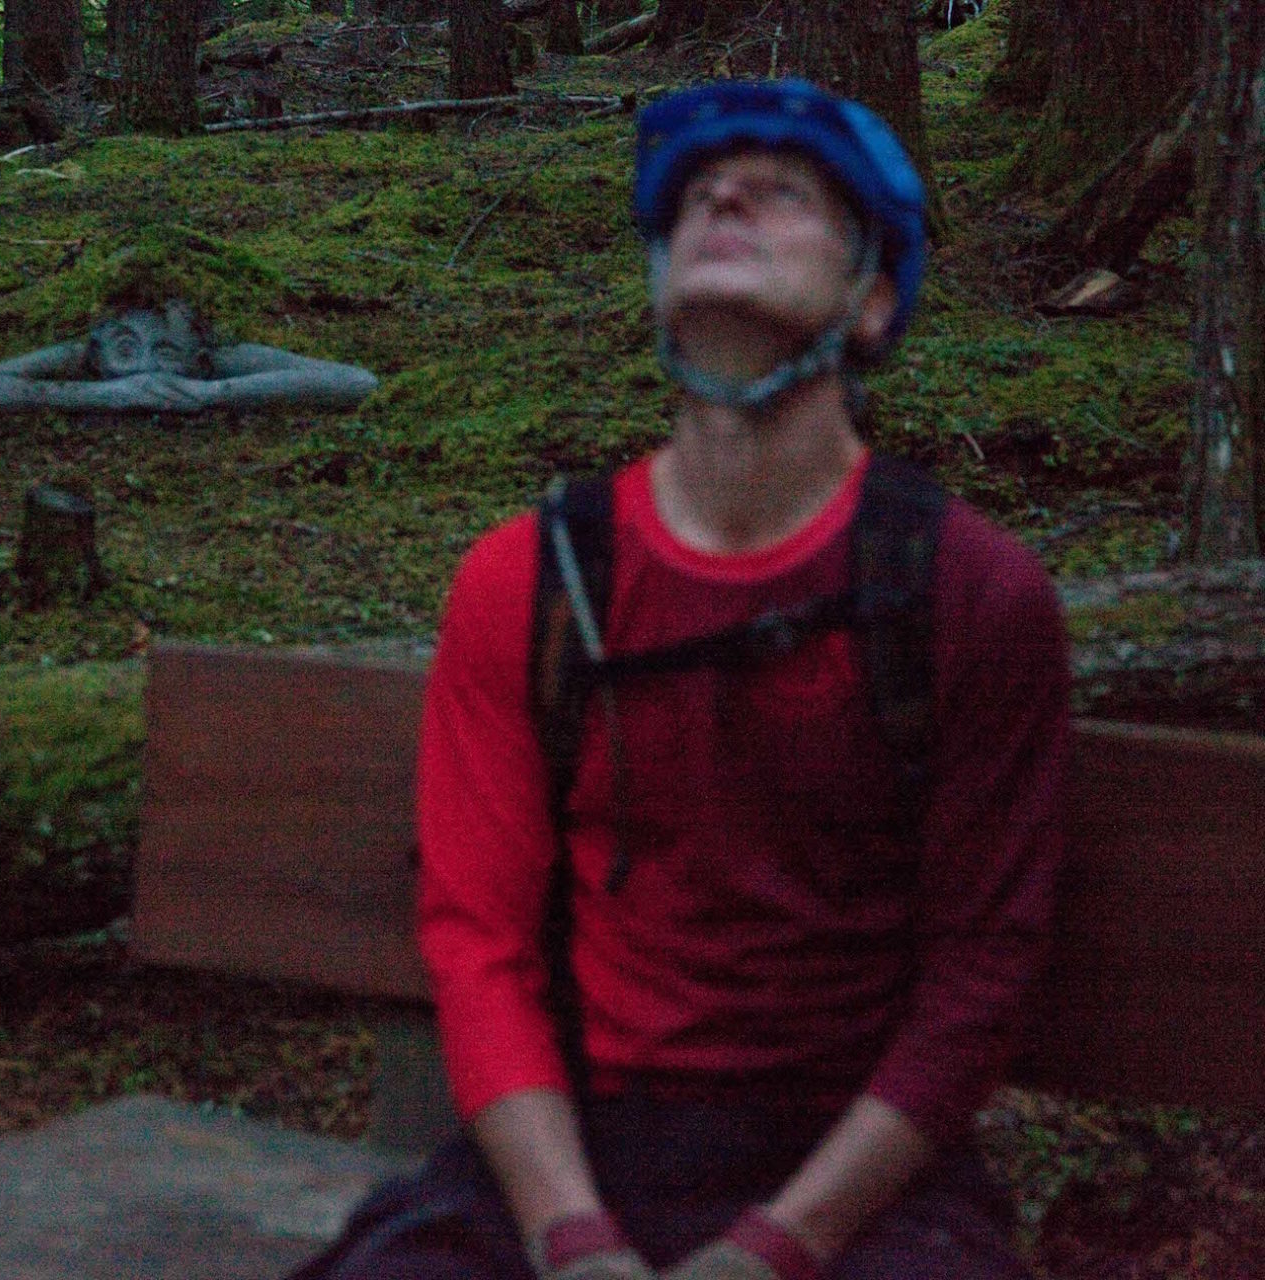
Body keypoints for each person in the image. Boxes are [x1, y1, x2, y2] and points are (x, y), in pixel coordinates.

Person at [295, 80, 1069, 1280]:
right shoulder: (532, 580)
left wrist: (775, 1247)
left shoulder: (971, 594)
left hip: (857, 1175)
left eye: (788, 189)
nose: (722, 193)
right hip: (577, 1140)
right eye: (697, 193)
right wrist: (571, 1233)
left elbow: (980, 976)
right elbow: (478, 936)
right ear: (658, 287)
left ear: (872, 299)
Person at [0, 298, 379, 414]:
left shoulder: (209, 354)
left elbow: (357, 382)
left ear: (197, 358)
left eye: (163, 349)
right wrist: (101, 397)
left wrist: (214, 392)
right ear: (101, 349)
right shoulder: (87, 354)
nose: (143, 363)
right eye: (126, 345)